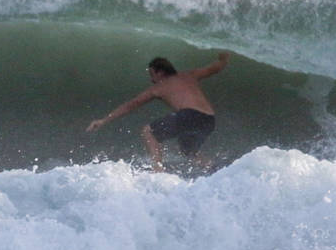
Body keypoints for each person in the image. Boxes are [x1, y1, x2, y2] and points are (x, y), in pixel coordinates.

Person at [87, 52, 230, 171]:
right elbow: (215, 68)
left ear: (160, 72)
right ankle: (215, 169)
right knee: (188, 151)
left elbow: (131, 105)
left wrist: (104, 120)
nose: (151, 79)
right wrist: (224, 57)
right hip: (209, 120)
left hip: (190, 115)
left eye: (152, 74)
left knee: (148, 131)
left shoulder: (159, 87)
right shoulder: (190, 75)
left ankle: (158, 171)